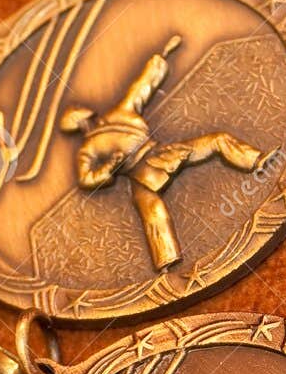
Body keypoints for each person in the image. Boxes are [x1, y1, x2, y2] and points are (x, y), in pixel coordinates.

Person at [59, 36, 274, 270]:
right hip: (139, 175)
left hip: (163, 153)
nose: (85, 124)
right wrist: (109, 166)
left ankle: (256, 160)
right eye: (80, 123)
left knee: (217, 140)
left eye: (84, 119)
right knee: (153, 211)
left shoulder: (120, 113)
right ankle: (166, 262)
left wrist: (160, 58)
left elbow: (142, 86)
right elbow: (86, 179)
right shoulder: (87, 150)